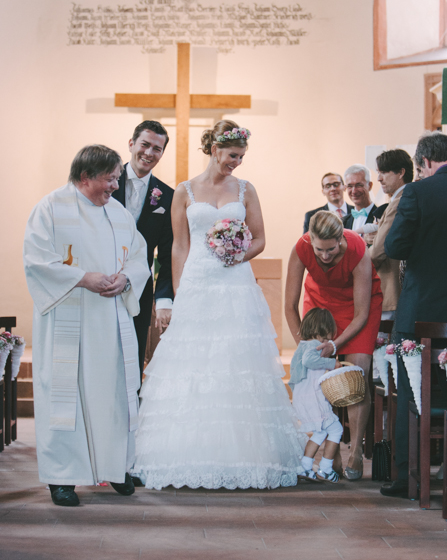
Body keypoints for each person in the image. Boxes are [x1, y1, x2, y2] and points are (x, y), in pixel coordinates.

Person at [132, 120, 306, 489]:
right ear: (214, 149)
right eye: (232, 156)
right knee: (195, 365)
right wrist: (180, 294)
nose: (237, 163)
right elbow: (178, 246)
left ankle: (242, 456)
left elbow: (259, 239)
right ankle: (186, 454)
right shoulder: (184, 191)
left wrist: (237, 253)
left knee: (236, 362)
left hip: (235, 281)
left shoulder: (246, 190)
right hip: (197, 281)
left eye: (241, 157)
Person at [23, 145, 150, 507]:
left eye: (116, 179)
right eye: (109, 179)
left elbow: (140, 257)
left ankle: (116, 467)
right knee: (67, 398)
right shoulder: (50, 208)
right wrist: (83, 278)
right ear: (85, 177)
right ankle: (63, 478)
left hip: (110, 321)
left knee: (113, 395)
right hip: (70, 319)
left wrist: (125, 281)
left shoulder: (118, 213)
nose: (115, 186)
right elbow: (36, 261)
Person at [285, 210, 383, 480]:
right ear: (310, 241)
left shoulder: (358, 249)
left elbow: (362, 313)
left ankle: (356, 450)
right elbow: (289, 306)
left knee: (356, 373)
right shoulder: (301, 248)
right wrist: (306, 347)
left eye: (331, 249)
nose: (325, 256)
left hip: (357, 308)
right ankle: (333, 449)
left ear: (341, 238)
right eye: (319, 250)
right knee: (320, 377)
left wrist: (336, 345)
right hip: (320, 304)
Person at [380, 132, 447, 499]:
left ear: (422, 163)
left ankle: (409, 477)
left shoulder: (417, 193)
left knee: (411, 389)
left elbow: (395, 246)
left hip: (422, 307)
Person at [113, 120, 174, 381]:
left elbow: (168, 254)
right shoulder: (106, 182)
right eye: (145, 145)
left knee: (135, 352)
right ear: (131, 144)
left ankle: (130, 412)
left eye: (157, 149)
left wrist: (163, 299)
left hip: (140, 287)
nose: (149, 153)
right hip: (101, 281)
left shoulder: (167, 196)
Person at [289, 308, 343, 483]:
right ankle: (326, 468)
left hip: (302, 396)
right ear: (322, 329)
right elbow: (309, 362)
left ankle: (305, 466)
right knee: (336, 429)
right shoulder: (313, 346)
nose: (329, 340)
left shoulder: (302, 345)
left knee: (320, 433)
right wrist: (332, 363)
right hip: (313, 397)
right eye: (328, 336)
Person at [368, 149, 413, 320]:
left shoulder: (400, 201)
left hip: (391, 285)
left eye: (384, 172)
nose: (379, 178)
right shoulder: (404, 198)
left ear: (401, 172)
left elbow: (378, 251)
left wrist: (358, 260)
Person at [342, 164, 387, 233]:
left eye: (359, 185)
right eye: (350, 186)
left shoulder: (383, 216)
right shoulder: (343, 222)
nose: (354, 191)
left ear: (370, 185)